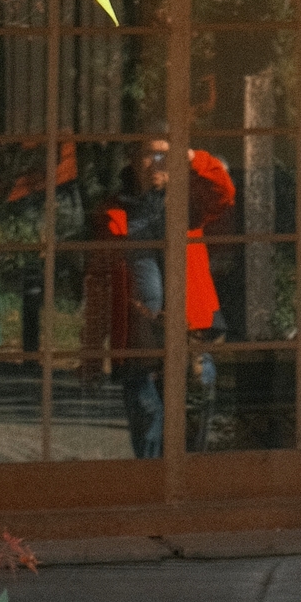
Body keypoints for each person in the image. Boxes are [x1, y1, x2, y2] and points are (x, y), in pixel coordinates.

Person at [83, 131, 234, 458]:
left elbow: (223, 193)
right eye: (151, 154)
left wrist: (195, 158)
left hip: (191, 337)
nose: (158, 162)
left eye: (167, 154)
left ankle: (192, 497)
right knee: (149, 427)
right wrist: (92, 352)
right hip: (139, 344)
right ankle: (152, 497)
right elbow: (98, 284)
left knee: (193, 423)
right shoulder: (114, 213)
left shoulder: (189, 202)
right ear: (133, 160)